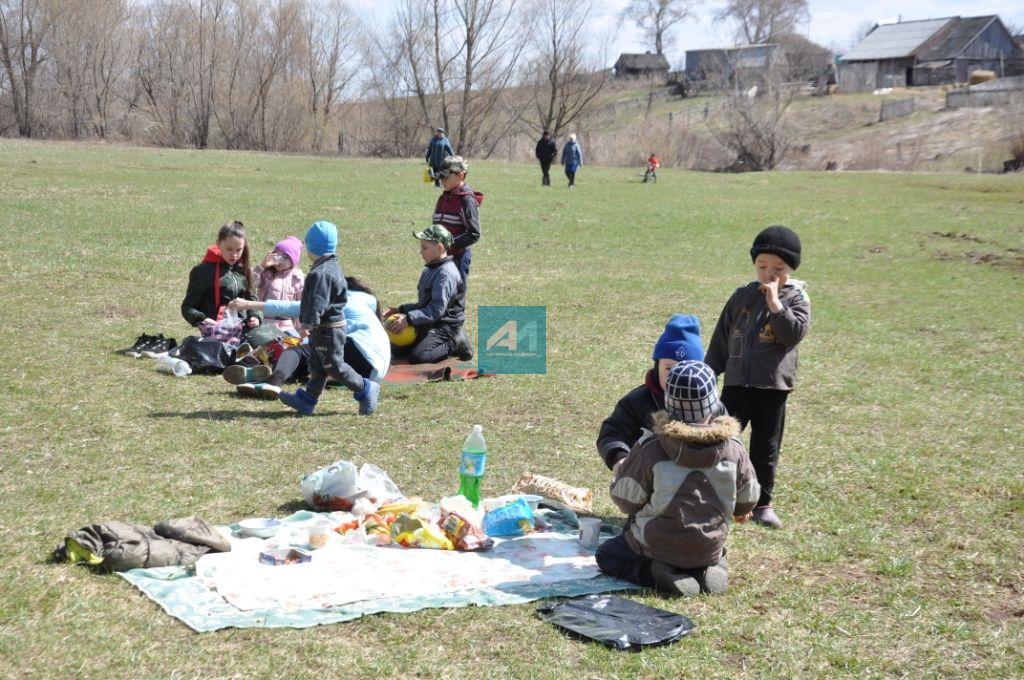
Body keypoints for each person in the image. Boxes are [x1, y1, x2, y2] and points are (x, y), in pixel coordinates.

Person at [596, 360, 760, 596]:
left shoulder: (651, 447)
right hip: (708, 546)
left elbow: (626, 501)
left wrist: (620, 474)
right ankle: (713, 565)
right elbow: (747, 500)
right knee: (709, 546)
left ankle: (655, 573)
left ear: (668, 401)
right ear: (713, 404)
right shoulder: (734, 448)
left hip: (656, 546)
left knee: (607, 554)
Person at [705, 225, 810, 529]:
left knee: (765, 449)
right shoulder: (742, 296)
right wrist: (709, 371)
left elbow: (793, 334)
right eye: (762, 266)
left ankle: (763, 504)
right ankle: (717, 496)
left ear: (790, 269)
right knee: (723, 441)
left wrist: (777, 306)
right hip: (737, 384)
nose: (769, 274)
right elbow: (722, 337)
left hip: (772, 388)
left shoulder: (797, 299)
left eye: (778, 269)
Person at [278, 221, 380, 416]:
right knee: (317, 366)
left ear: (311, 246)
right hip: (323, 329)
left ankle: (365, 388)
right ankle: (307, 400)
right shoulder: (329, 267)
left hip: (329, 329)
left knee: (333, 366)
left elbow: (318, 302)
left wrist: (307, 324)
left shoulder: (321, 273)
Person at [227, 277, 390, 399]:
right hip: (373, 372)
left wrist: (248, 304)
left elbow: (291, 308)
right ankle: (263, 374)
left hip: (358, 347)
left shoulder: (336, 299)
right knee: (309, 364)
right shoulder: (366, 299)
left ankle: (273, 380)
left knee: (297, 352)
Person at [597, 314, 705, 471]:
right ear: (657, 366)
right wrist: (619, 458)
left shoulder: (710, 406)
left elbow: (728, 444)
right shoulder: (636, 402)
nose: (676, 376)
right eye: (669, 368)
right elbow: (612, 433)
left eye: (684, 369)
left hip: (696, 486)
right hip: (648, 482)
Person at [384, 225, 472, 364]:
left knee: (418, 357)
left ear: (440, 247)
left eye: (425, 248)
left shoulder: (445, 274)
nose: (421, 252)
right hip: (430, 323)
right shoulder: (430, 269)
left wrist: (408, 319)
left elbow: (437, 310)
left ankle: (455, 342)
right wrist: (400, 310)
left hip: (446, 327)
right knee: (397, 350)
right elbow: (424, 304)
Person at [180, 220, 261, 346]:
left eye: (239, 250)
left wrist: (255, 316)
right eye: (229, 249)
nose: (234, 255)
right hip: (218, 332)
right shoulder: (203, 271)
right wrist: (202, 319)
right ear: (218, 244)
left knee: (272, 343)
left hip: (246, 329)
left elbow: (252, 297)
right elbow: (188, 307)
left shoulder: (244, 269)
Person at [430, 155, 483, 285]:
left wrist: (449, 244)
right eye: (440, 176)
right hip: (441, 256)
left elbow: (474, 233)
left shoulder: (466, 200)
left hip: (457, 258)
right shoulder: (444, 197)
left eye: (445, 176)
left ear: (460, 175)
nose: (442, 180)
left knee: (454, 297)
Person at [253, 236, 304, 335]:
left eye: (284, 257)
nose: (278, 260)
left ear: (293, 260)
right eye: (276, 255)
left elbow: (301, 306)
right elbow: (249, 285)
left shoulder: (298, 278)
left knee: (296, 344)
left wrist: (301, 328)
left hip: (287, 325)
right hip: (265, 322)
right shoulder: (266, 273)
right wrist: (262, 266)